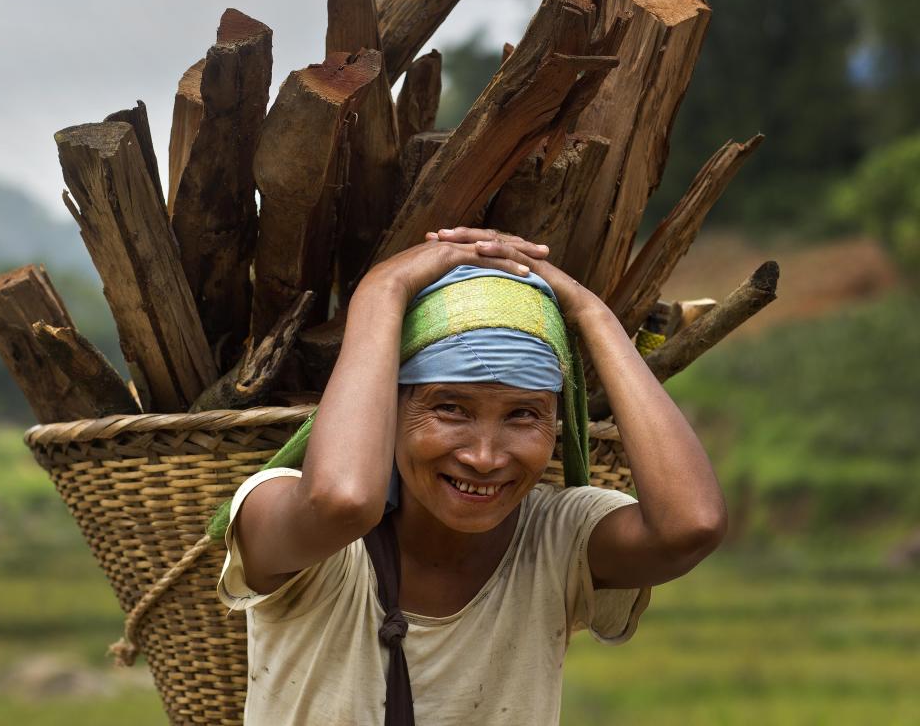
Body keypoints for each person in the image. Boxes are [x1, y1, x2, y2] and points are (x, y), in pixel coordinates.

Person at [215, 227, 727, 725]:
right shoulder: (287, 519)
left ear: (558, 421)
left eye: (523, 415)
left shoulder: (557, 537)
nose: (485, 457)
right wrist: (382, 289)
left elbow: (691, 525)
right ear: (389, 408)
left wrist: (591, 315)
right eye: (451, 409)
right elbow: (344, 500)